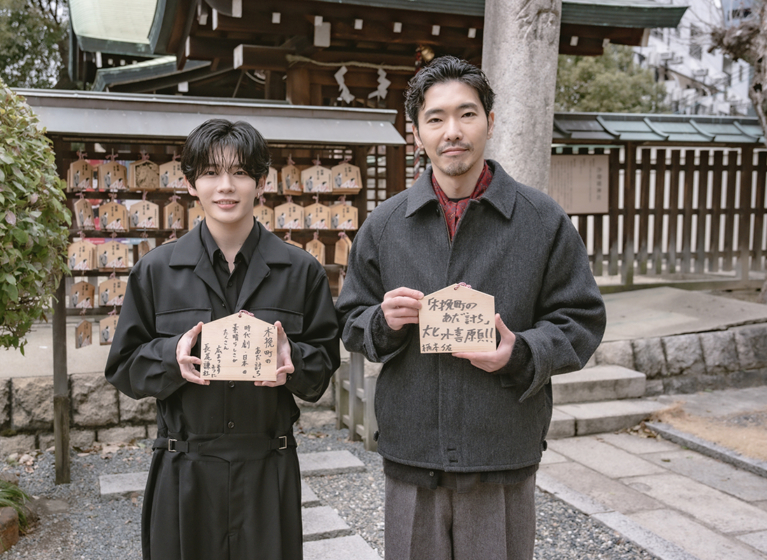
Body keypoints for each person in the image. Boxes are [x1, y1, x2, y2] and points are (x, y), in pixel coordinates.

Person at [336, 56, 606, 560]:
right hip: (412, 449)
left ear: (490, 122)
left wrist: (520, 352)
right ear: (416, 133)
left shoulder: (541, 219)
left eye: (467, 114)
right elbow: (350, 320)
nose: (452, 131)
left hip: (501, 446)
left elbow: (581, 319)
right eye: (435, 118)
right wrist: (383, 321)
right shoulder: (386, 224)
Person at [106, 119, 340, 560]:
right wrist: (170, 357)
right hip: (185, 467)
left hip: (267, 465)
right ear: (191, 183)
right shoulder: (157, 271)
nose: (225, 186)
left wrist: (294, 362)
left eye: (240, 173)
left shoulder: (301, 269)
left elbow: (324, 366)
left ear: (261, 182)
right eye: (211, 172)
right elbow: (123, 368)